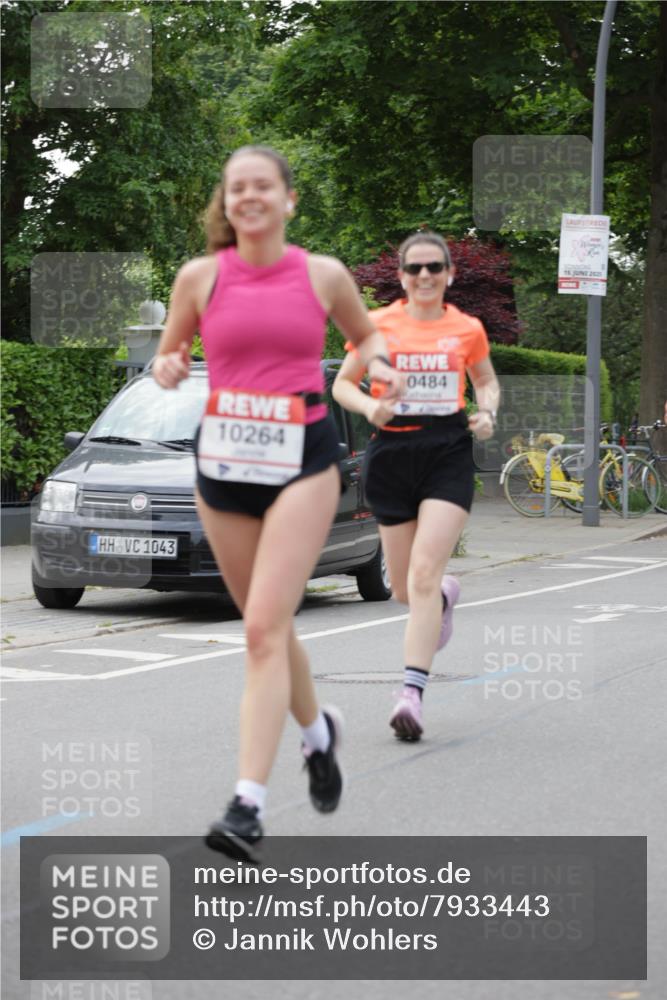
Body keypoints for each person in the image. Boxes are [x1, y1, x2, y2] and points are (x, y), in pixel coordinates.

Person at [152, 145, 403, 861]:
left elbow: (366, 338)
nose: (250, 196)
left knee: (264, 628)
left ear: (289, 200)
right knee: (265, 627)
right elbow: (170, 359)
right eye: (237, 188)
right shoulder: (198, 278)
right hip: (224, 460)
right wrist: (170, 365)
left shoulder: (321, 274)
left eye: (263, 186)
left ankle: (246, 804)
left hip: (301, 457)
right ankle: (319, 732)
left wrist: (382, 368)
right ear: (225, 204)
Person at [333, 231, 500, 742]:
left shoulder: (466, 328)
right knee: (406, 590)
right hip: (391, 454)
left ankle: (410, 694)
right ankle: (444, 601)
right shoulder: (377, 325)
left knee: (424, 574)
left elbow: (486, 380)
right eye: (414, 269)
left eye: (434, 268)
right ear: (402, 277)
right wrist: (370, 406)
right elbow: (342, 384)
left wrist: (487, 410)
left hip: (446, 450)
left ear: (449, 275)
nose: (424, 276)